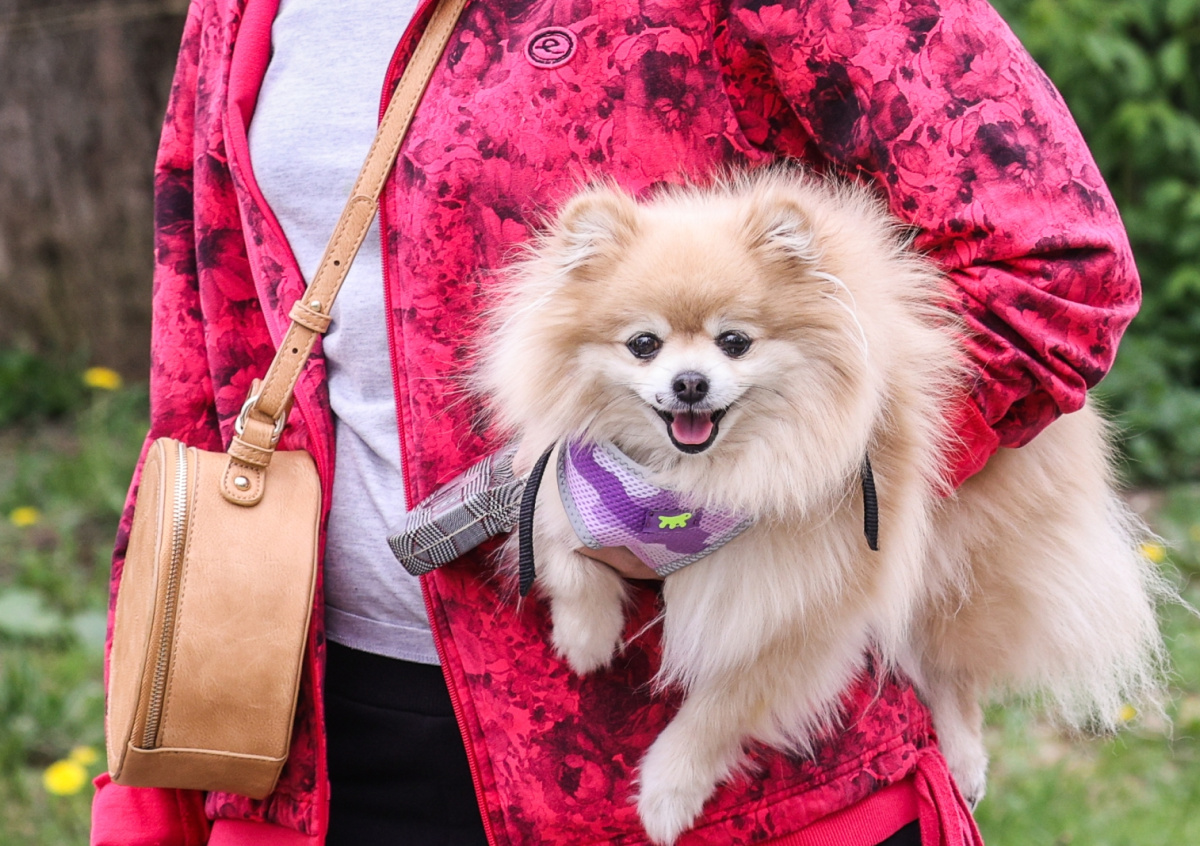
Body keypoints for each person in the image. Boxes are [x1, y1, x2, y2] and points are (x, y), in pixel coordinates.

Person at [91, 0, 1139, 843]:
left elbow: (1056, 269)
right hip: (316, 738)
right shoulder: (238, 14)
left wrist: (731, 501)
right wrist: (156, 776)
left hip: (727, 768)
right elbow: (207, 356)